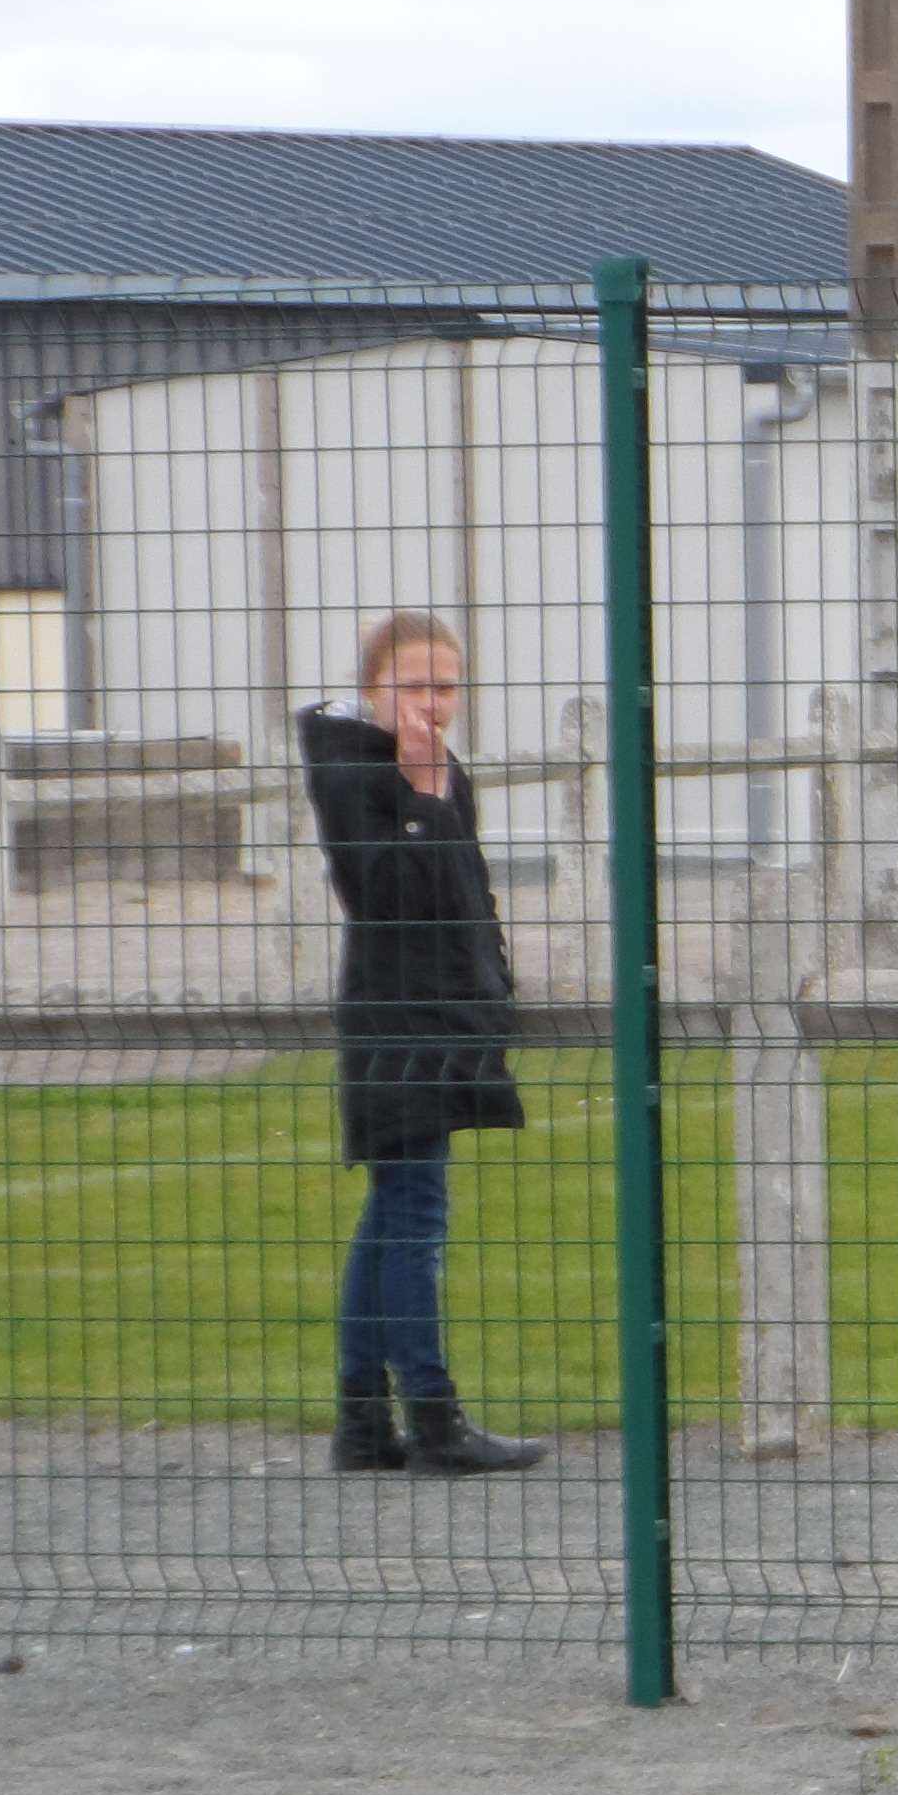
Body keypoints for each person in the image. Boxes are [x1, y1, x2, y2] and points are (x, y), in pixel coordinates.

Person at [299, 614, 547, 1477]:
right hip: (397, 1022)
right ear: (374, 688)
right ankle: (434, 1417)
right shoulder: (353, 772)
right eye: (414, 686)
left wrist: (495, 993)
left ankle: (363, 1424)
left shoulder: (443, 775)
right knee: (414, 1215)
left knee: (391, 1214)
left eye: (446, 687)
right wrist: (417, 796)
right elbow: (385, 894)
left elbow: (467, 898)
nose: (432, 705)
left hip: (448, 1016)